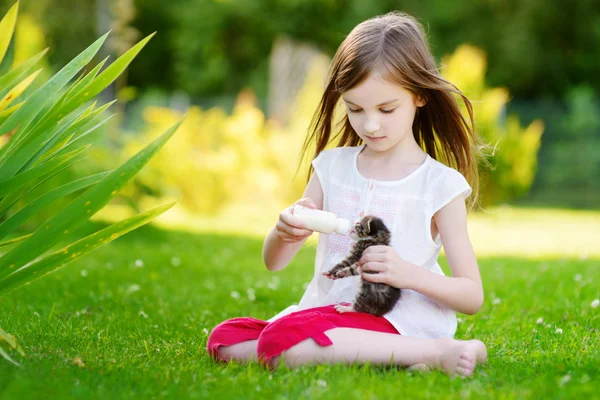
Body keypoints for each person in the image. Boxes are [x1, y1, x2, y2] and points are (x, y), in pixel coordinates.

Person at [207, 10, 488, 377]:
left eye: (387, 109)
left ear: (419, 96)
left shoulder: (439, 184)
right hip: (331, 314)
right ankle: (400, 357)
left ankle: (433, 351)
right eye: (355, 109)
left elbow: (472, 296)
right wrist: (283, 232)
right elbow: (274, 262)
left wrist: (407, 273)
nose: (370, 124)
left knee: (279, 345)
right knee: (224, 339)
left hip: (398, 320)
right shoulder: (332, 167)